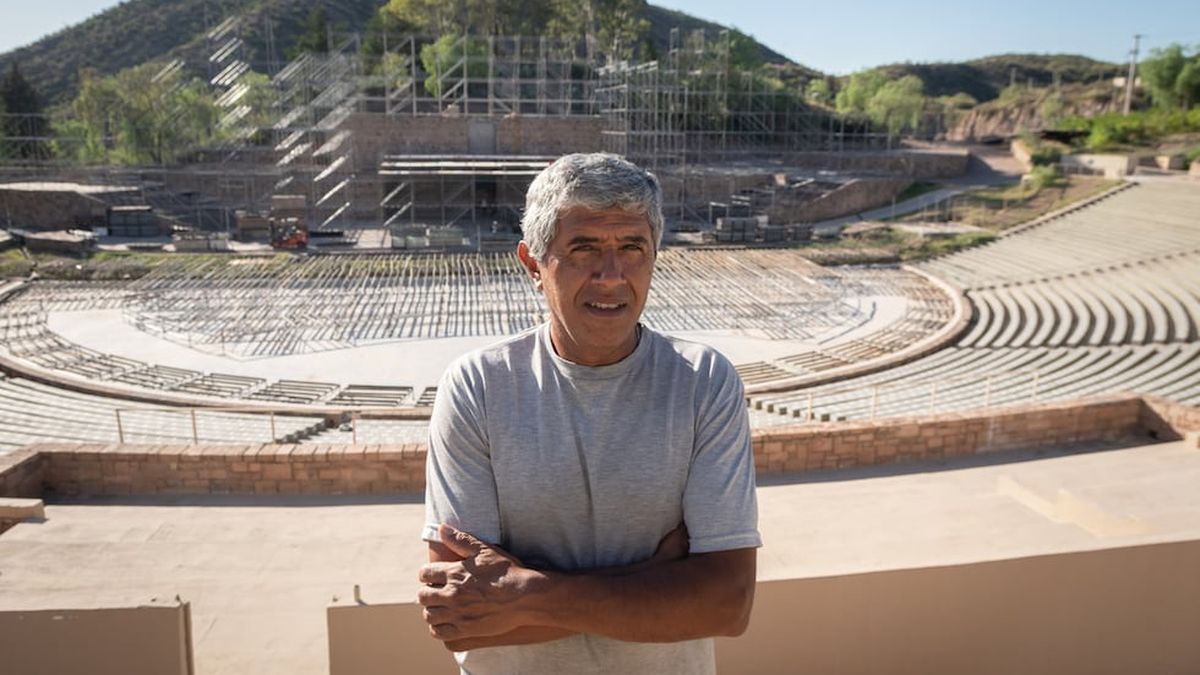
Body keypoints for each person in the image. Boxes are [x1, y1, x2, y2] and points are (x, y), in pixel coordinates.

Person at [419, 152, 761, 674]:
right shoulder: (478, 388)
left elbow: (726, 603)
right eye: (583, 249)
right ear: (533, 265)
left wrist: (527, 593)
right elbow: (462, 615)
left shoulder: (703, 382)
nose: (611, 275)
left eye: (632, 248)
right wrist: (657, 579)